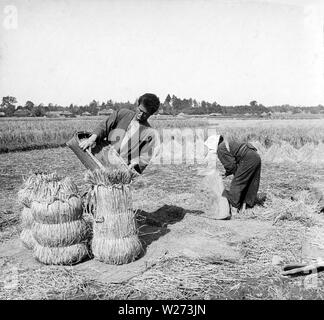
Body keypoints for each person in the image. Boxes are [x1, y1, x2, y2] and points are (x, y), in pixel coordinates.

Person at [79, 93, 160, 174]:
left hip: (121, 168)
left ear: (151, 114)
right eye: (140, 110)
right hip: (103, 156)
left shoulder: (150, 133)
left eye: (145, 113)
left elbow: (145, 157)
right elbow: (104, 126)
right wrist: (92, 139)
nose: (141, 114)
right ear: (137, 105)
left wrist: (136, 163)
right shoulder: (123, 114)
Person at [216, 135, 261, 215]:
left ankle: (234, 210)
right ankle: (245, 207)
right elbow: (233, 162)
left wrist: (235, 174)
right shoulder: (227, 143)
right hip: (255, 157)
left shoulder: (220, 148)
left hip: (248, 158)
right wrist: (228, 173)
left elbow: (230, 165)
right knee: (250, 183)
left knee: (237, 183)